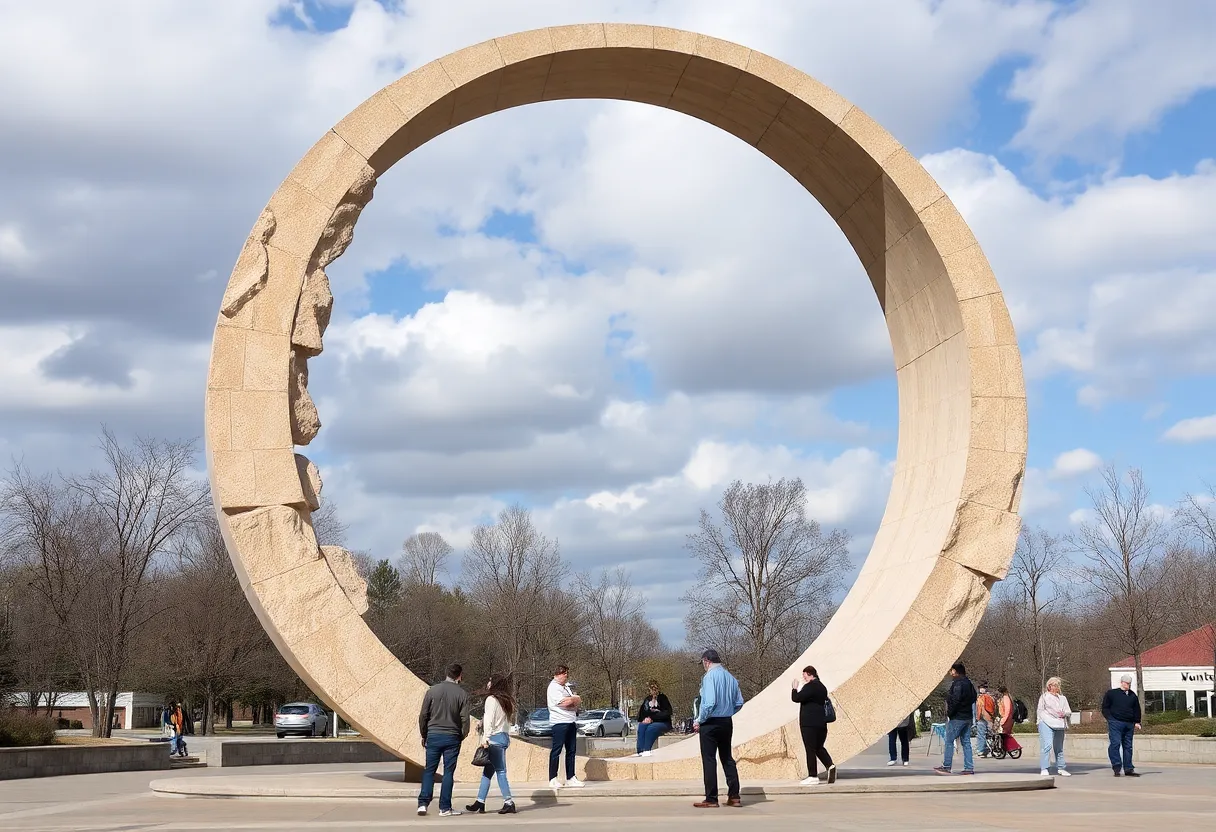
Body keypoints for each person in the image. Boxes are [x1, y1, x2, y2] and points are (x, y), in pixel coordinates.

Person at [417, 663, 471, 817]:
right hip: (452, 736)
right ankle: (445, 807)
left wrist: (424, 734)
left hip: (433, 735)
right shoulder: (462, 694)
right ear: (459, 676)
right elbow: (465, 719)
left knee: (429, 770)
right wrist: (462, 734)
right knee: (448, 772)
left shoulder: (432, 691)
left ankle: (422, 804)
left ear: (446, 673)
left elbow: (423, 715)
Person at [692, 649, 744, 809]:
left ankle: (711, 798)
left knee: (709, 759)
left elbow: (709, 702)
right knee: (727, 757)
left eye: (703, 663)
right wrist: (728, 712)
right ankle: (734, 795)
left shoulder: (709, 677)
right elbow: (739, 702)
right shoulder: (731, 678)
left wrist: (699, 720)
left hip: (710, 722)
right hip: (726, 722)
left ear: (706, 661)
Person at [466, 675, 516, 815]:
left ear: (494, 684)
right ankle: (480, 801)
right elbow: (502, 721)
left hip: (494, 739)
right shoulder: (505, 701)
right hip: (503, 737)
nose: (488, 683)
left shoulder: (491, 700)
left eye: (490, 681)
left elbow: (490, 720)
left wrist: (485, 739)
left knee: (500, 771)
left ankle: (509, 802)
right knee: (487, 772)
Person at [791, 666, 836, 785]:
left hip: (809, 723)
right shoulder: (822, 687)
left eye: (804, 675)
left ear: (810, 674)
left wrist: (794, 689)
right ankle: (830, 765)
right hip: (821, 723)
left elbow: (796, 698)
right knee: (819, 747)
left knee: (810, 748)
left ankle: (813, 775)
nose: (803, 677)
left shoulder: (810, 686)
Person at [934, 662, 976, 775]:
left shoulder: (958, 684)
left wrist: (950, 713)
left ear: (956, 672)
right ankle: (969, 767)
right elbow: (974, 697)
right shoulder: (968, 683)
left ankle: (947, 766)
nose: (950, 672)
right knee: (966, 742)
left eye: (952, 670)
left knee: (949, 740)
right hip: (967, 717)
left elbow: (955, 700)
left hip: (957, 717)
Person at [547, 665, 584, 789]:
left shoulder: (566, 687)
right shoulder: (553, 688)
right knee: (556, 751)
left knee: (571, 750)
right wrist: (574, 700)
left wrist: (574, 700)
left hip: (571, 721)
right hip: (559, 722)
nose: (565, 675)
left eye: (566, 673)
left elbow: (577, 701)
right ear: (556, 675)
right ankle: (552, 778)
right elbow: (566, 703)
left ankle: (571, 777)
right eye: (563, 673)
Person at [1101, 674, 1142, 777]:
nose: (1128, 685)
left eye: (1129, 683)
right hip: (1115, 722)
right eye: (1126, 683)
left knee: (1128, 746)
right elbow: (1105, 707)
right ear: (1122, 682)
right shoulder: (1112, 693)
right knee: (1115, 744)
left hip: (1129, 723)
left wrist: (1137, 721)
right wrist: (1110, 719)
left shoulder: (1132, 696)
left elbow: (1137, 709)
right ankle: (1116, 766)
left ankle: (1128, 768)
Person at [1036, 677, 1072, 777]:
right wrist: (1043, 720)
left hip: (1059, 724)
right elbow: (1040, 711)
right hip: (1046, 723)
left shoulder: (1062, 698)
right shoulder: (1044, 697)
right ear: (1049, 686)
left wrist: (1063, 713)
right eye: (1053, 685)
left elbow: (1068, 711)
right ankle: (1044, 768)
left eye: (1057, 685)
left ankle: (1061, 767)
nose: (1055, 687)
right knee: (1047, 746)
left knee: (1059, 747)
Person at [635, 680, 673, 757]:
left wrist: (652, 718)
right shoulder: (647, 700)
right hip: (649, 721)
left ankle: (647, 749)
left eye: (654, 689)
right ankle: (640, 750)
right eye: (651, 689)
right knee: (642, 726)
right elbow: (641, 713)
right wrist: (644, 719)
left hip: (663, 723)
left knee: (651, 728)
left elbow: (668, 712)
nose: (653, 691)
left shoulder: (663, 698)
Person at [975, 681, 996, 757]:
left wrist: (979, 718)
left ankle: (981, 750)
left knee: (981, 734)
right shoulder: (991, 697)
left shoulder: (982, 698)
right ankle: (988, 750)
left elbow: (981, 709)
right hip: (990, 718)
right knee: (989, 735)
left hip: (983, 718)